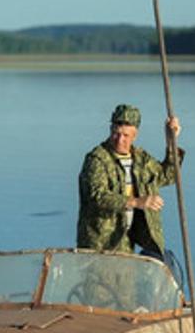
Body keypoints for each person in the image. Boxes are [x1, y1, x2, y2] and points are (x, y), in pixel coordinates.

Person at [77, 104, 183, 257]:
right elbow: (97, 196)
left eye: (126, 135)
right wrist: (137, 202)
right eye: (116, 133)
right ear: (110, 130)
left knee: (126, 280)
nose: (120, 140)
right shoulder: (96, 159)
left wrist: (171, 143)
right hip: (100, 243)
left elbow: (168, 176)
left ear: (135, 135)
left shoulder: (141, 159)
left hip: (127, 241)